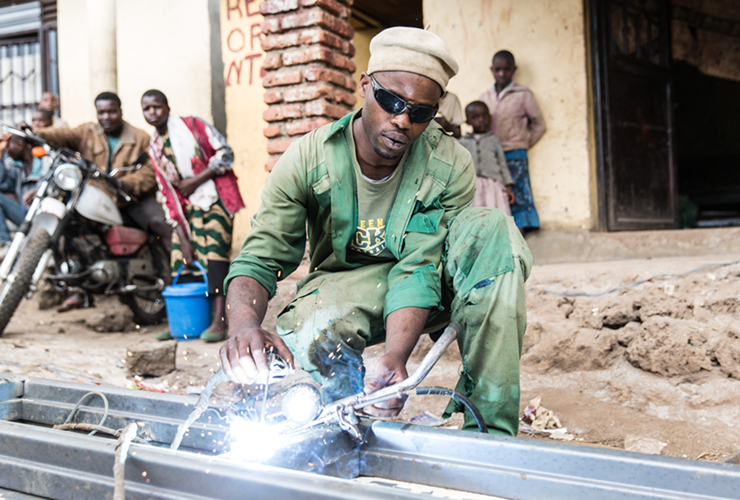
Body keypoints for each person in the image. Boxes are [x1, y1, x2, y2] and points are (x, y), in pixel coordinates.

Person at [219, 27, 532, 436]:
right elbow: (260, 257)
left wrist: (395, 356)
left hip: (432, 287)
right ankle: (346, 417)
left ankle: (488, 430)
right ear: (366, 86)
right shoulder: (308, 158)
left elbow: (420, 265)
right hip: (348, 288)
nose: (402, 120)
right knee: (311, 323)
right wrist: (243, 327)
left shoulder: (448, 162)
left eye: (420, 112)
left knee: (493, 230)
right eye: (391, 101)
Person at [32, 91, 171, 311]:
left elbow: (151, 170)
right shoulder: (87, 131)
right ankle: (79, 287)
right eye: (101, 112)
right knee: (70, 229)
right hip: (96, 196)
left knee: (159, 222)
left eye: (111, 111)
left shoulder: (140, 137)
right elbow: (61, 136)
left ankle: (174, 278)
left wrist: (127, 183)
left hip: (131, 198)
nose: (106, 116)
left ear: (120, 111)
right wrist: (32, 132)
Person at [141, 89, 244, 343]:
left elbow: (226, 155)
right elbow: (167, 192)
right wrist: (181, 235)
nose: (152, 112)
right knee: (181, 259)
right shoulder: (154, 148)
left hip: (215, 199)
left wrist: (196, 180)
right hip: (186, 211)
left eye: (157, 106)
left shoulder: (193, 126)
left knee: (215, 256)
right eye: (147, 108)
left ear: (167, 107)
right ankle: (184, 323)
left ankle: (220, 320)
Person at [479, 50, 546, 234]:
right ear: (492, 70)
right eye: (498, 70)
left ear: (514, 70)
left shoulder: (523, 95)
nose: (502, 74)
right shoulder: (485, 97)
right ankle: (500, 238)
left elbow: (539, 124)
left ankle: (519, 239)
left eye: (506, 70)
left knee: (517, 196)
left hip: (514, 153)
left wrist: (523, 141)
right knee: (497, 195)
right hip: (491, 156)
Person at [458, 101, 515, 214]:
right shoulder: (462, 143)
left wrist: (508, 186)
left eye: (484, 115)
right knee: (475, 215)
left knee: (496, 212)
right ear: (468, 122)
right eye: (475, 117)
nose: (481, 120)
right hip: (472, 186)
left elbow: (502, 164)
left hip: (493, 186)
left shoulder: (494, 141)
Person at [0, 135, 27, 257]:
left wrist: (36, 191)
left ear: (19, 145)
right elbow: (2, 184)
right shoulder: (17, 168)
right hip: (25, 216)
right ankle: (4, 243)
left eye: (7, 146)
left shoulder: (45, 163)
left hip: (44, 218)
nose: (7, 151)